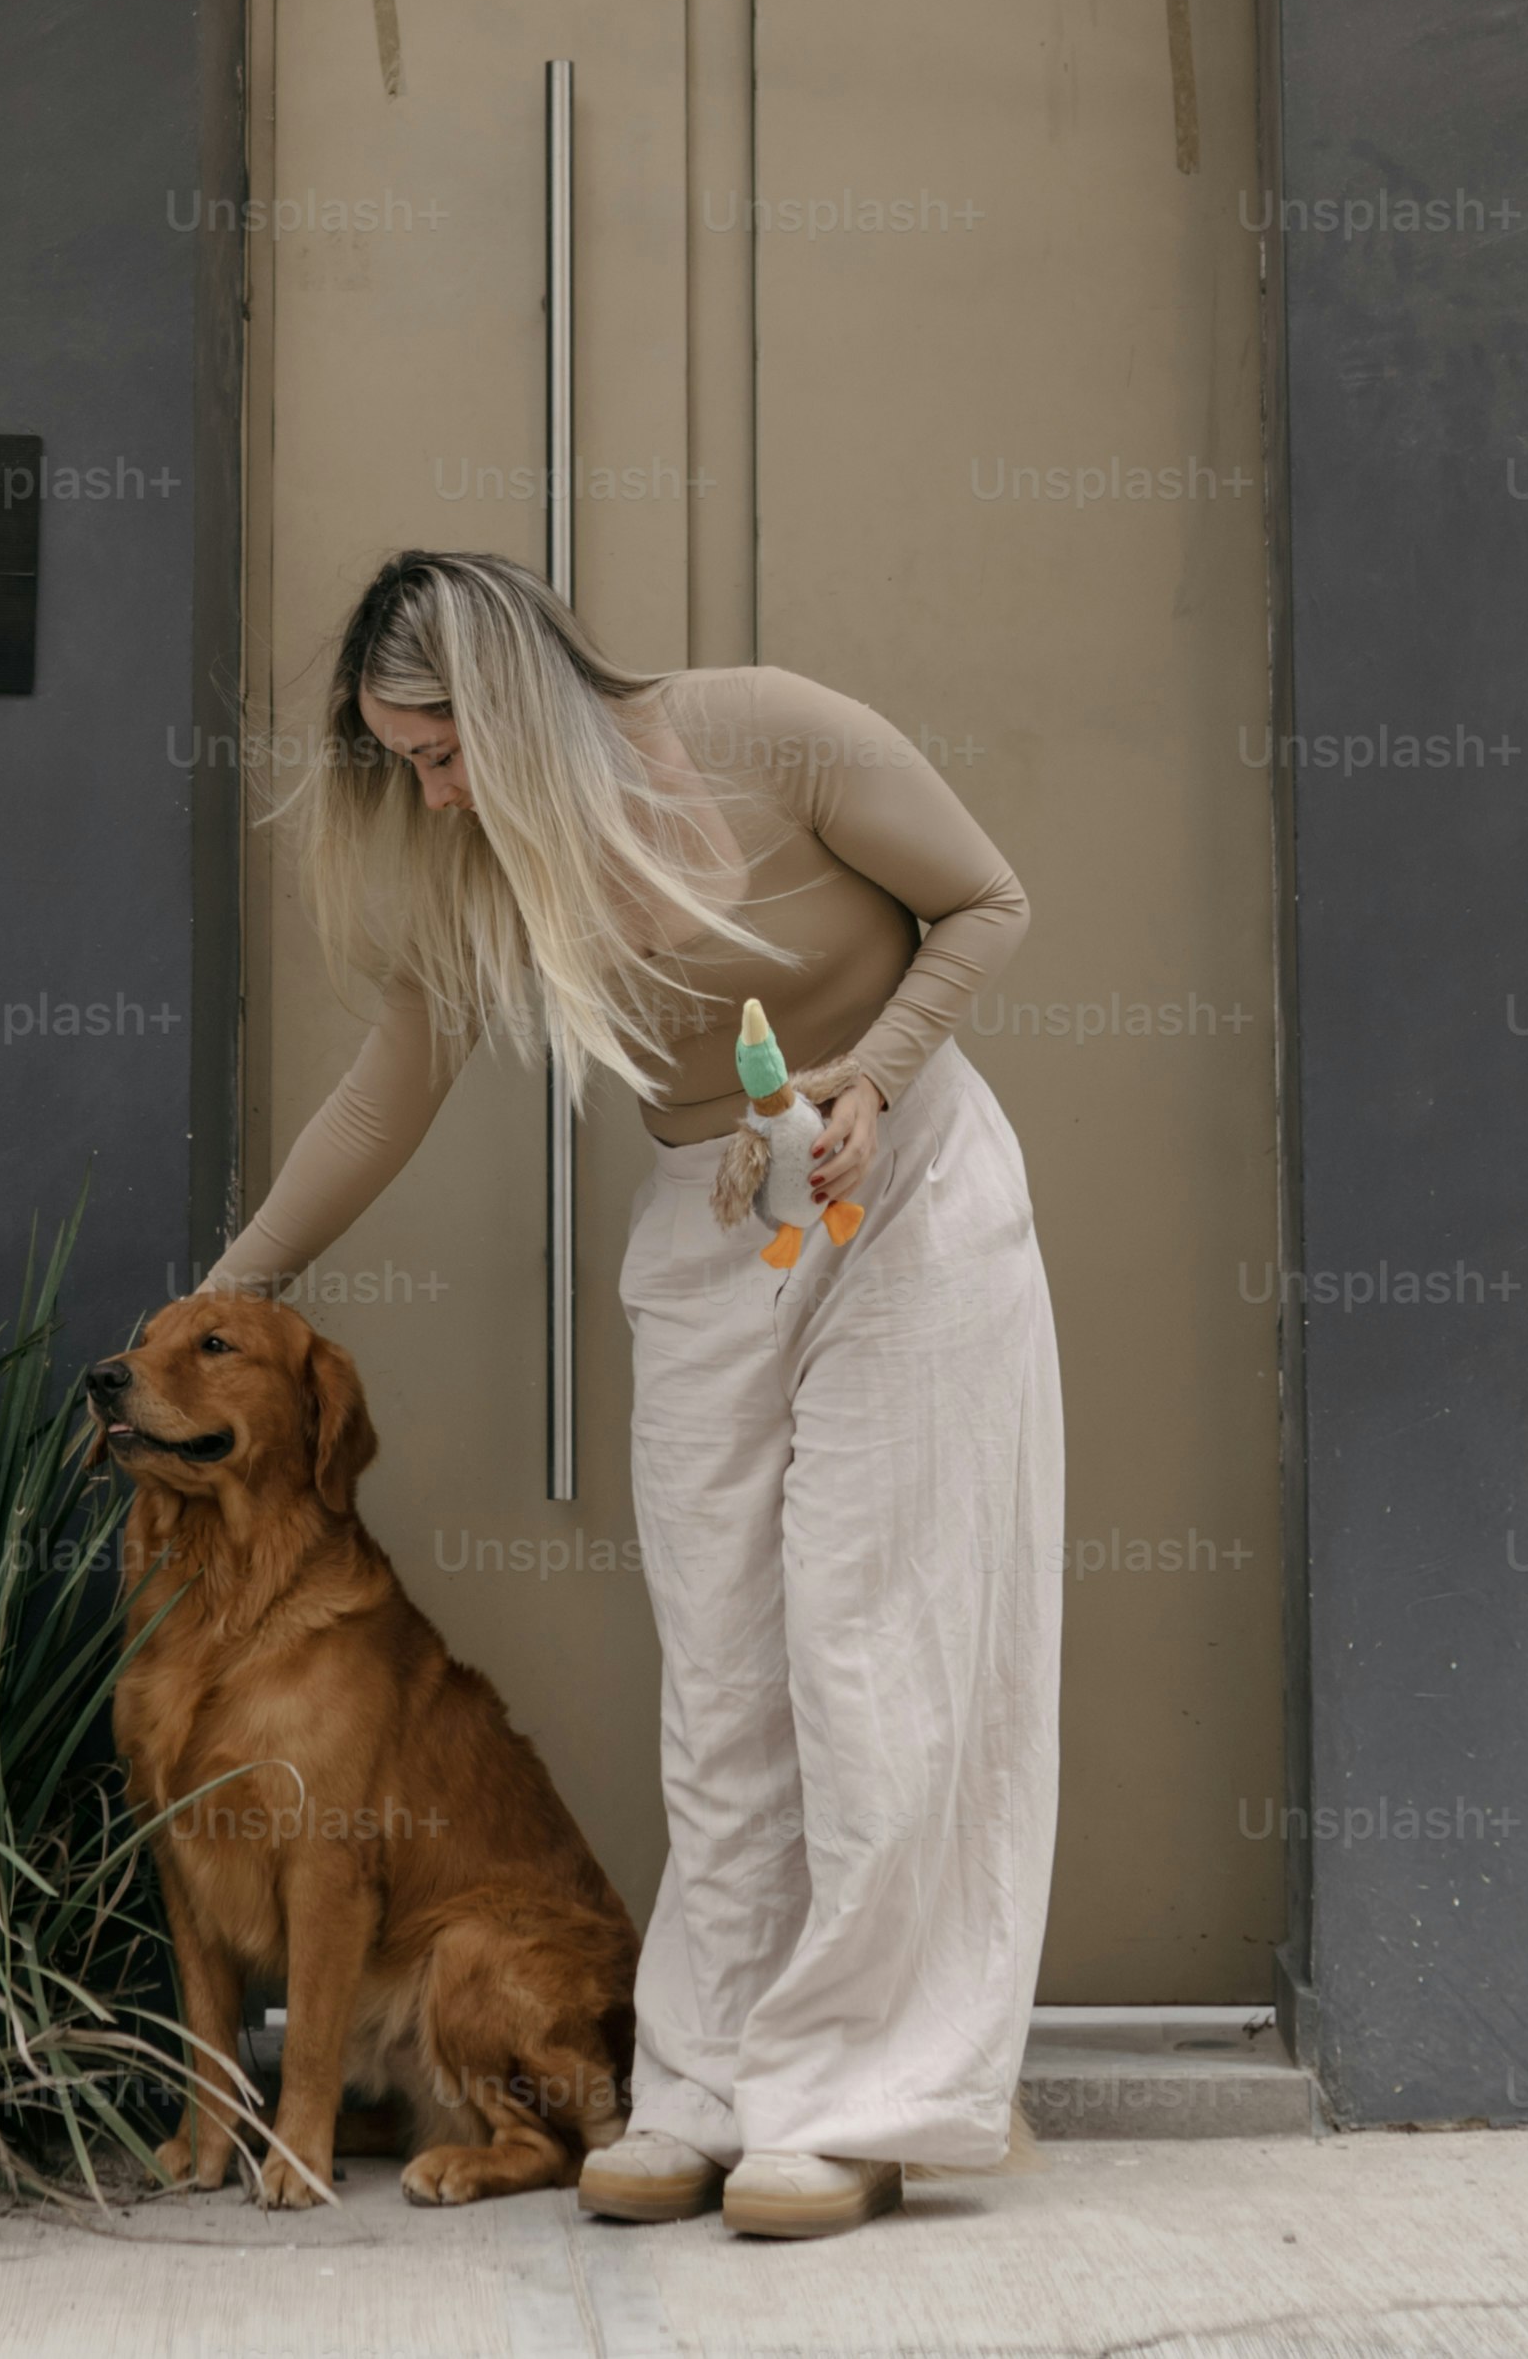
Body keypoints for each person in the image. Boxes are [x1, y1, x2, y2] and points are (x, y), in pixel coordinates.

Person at [204, 547, 1060, 2243]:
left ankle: (860, 2097)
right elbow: (378, 1109)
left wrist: (870, 1078)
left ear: (515, 708)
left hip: (901, 1186)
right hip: (717, 1223)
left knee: (868, 1648)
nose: (432, 795)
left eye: (444, 752)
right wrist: (225, 1296)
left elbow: (986, 901)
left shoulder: (774, 738)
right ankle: (705, 2082)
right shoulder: (479, 877)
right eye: (405, 766)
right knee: (723, 1675)